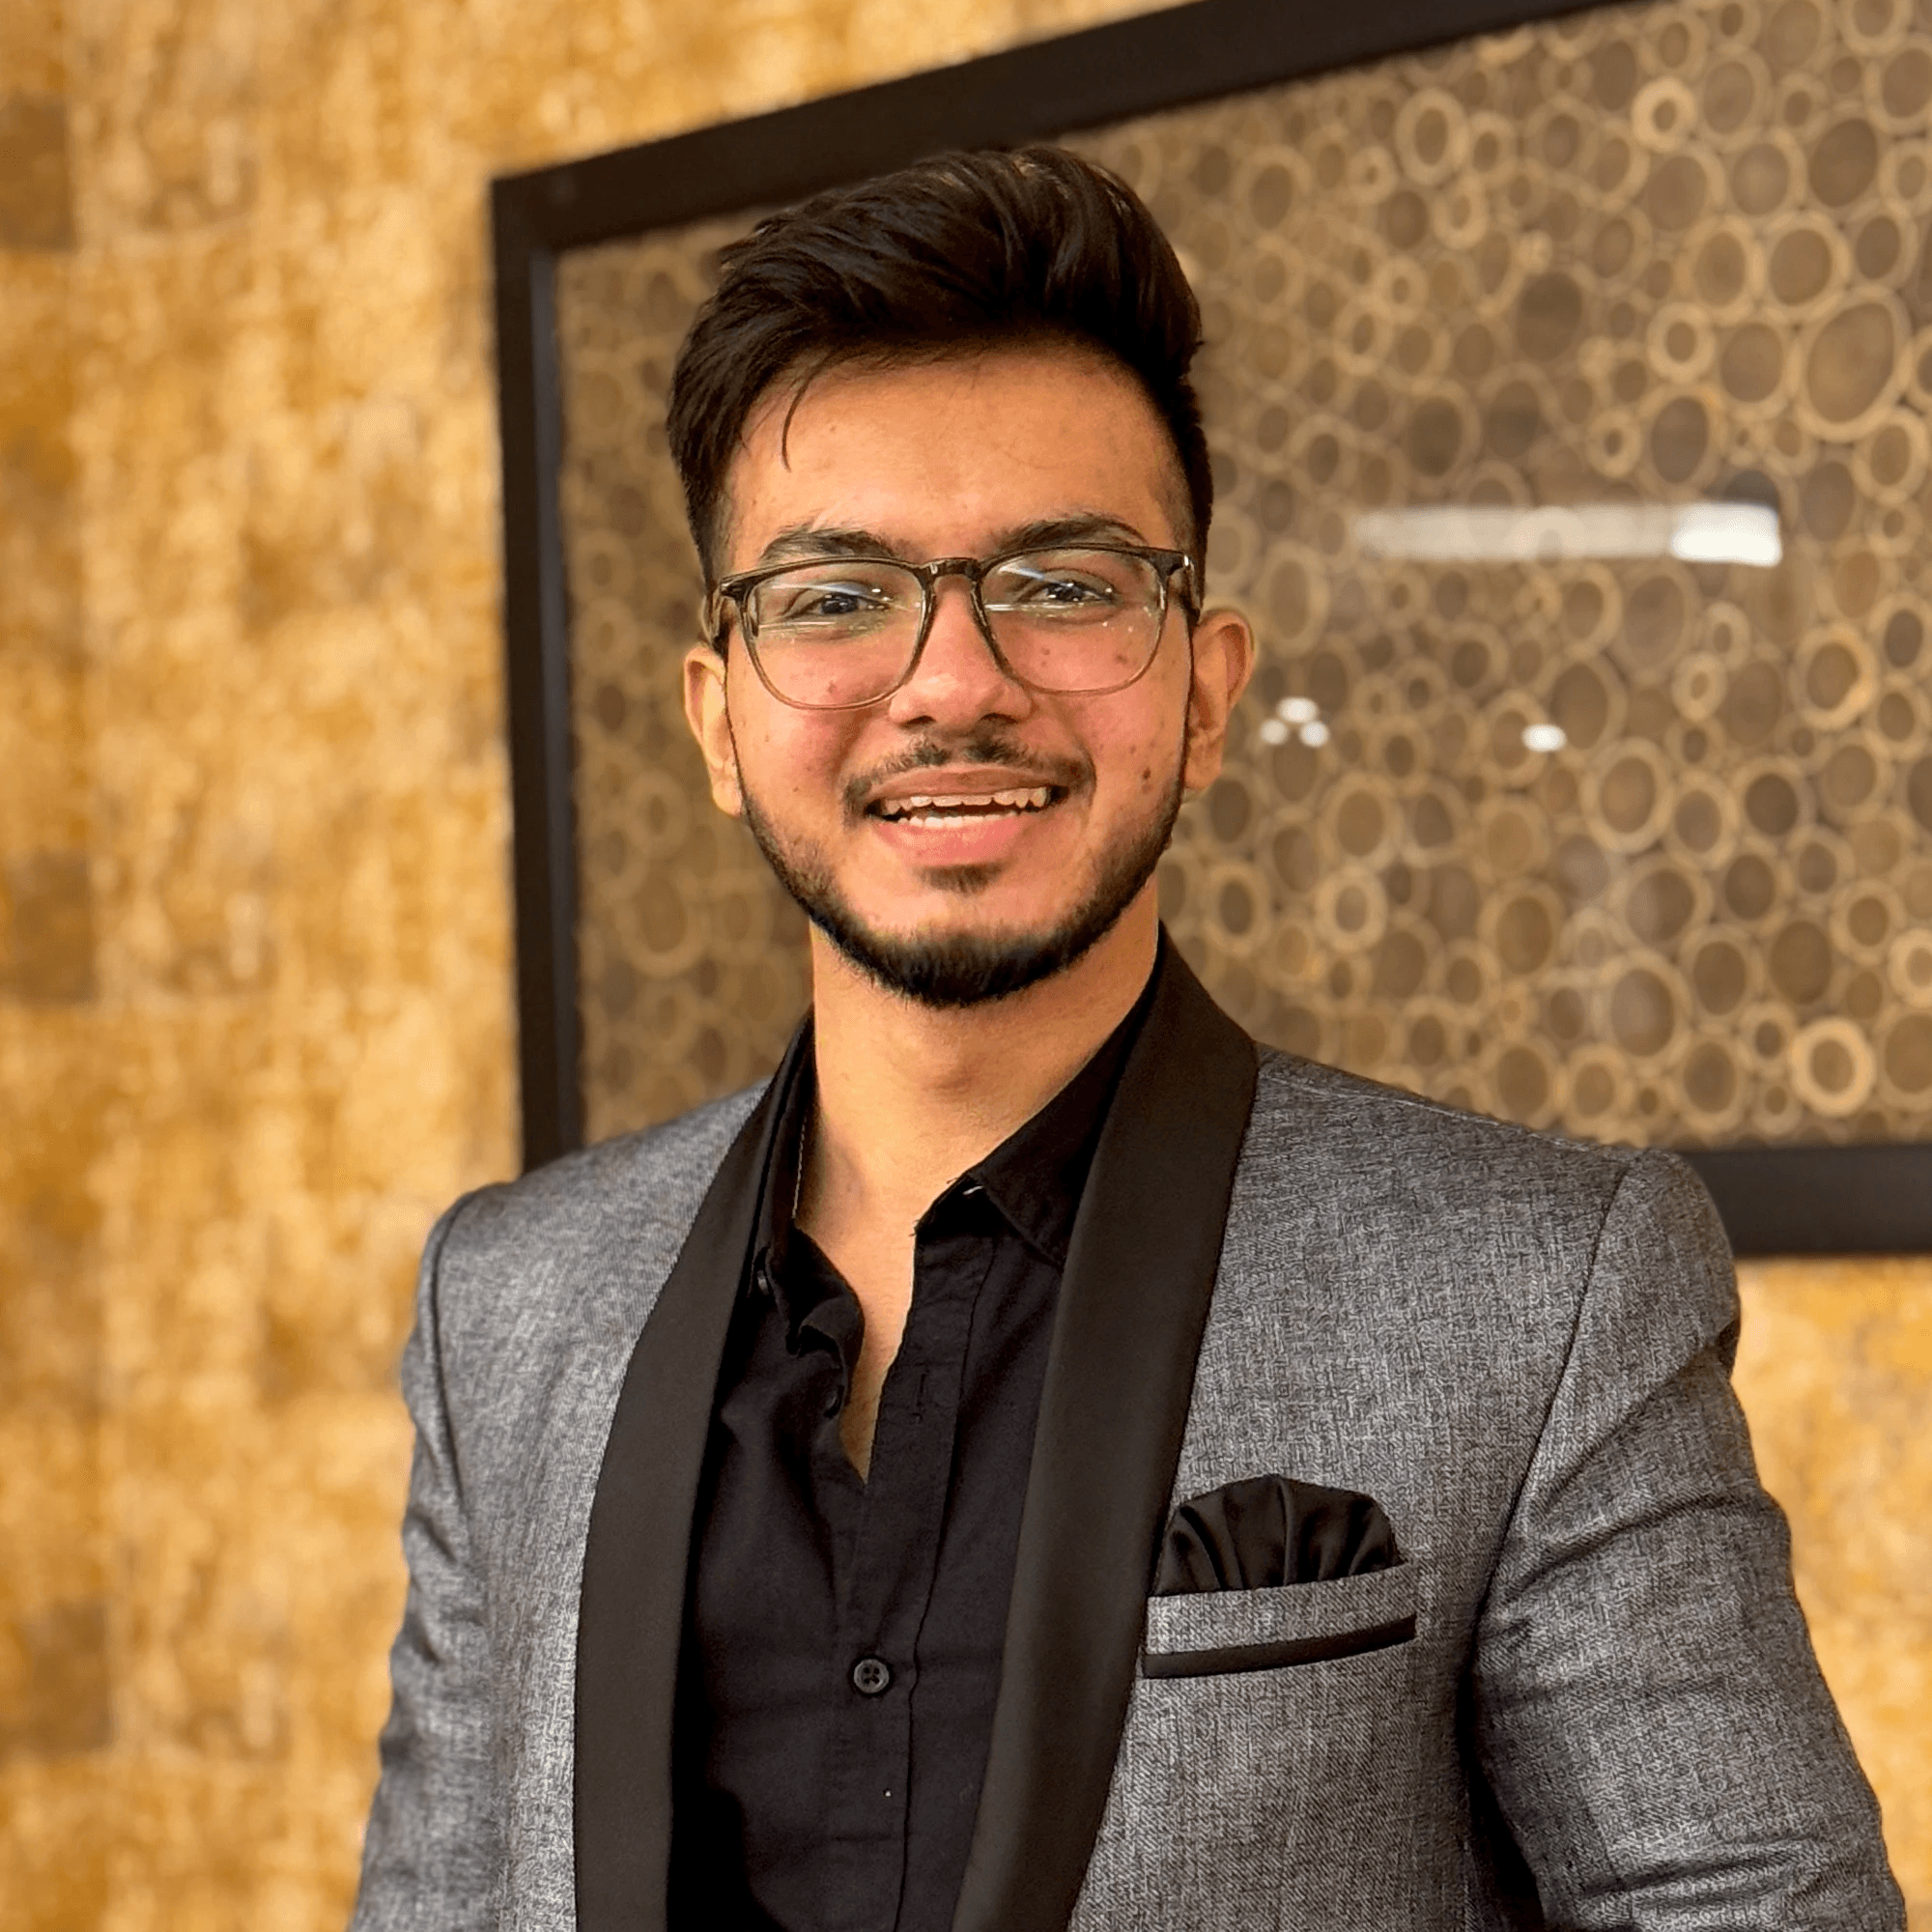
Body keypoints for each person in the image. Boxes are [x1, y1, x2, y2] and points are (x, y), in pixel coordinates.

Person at [351, 147, 1903, 1932]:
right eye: (837, 596)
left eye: (1066, 583)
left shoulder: (1543, 1289)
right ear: (719, 719)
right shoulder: (510, 1302)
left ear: (1207, 684)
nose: (950, 679)